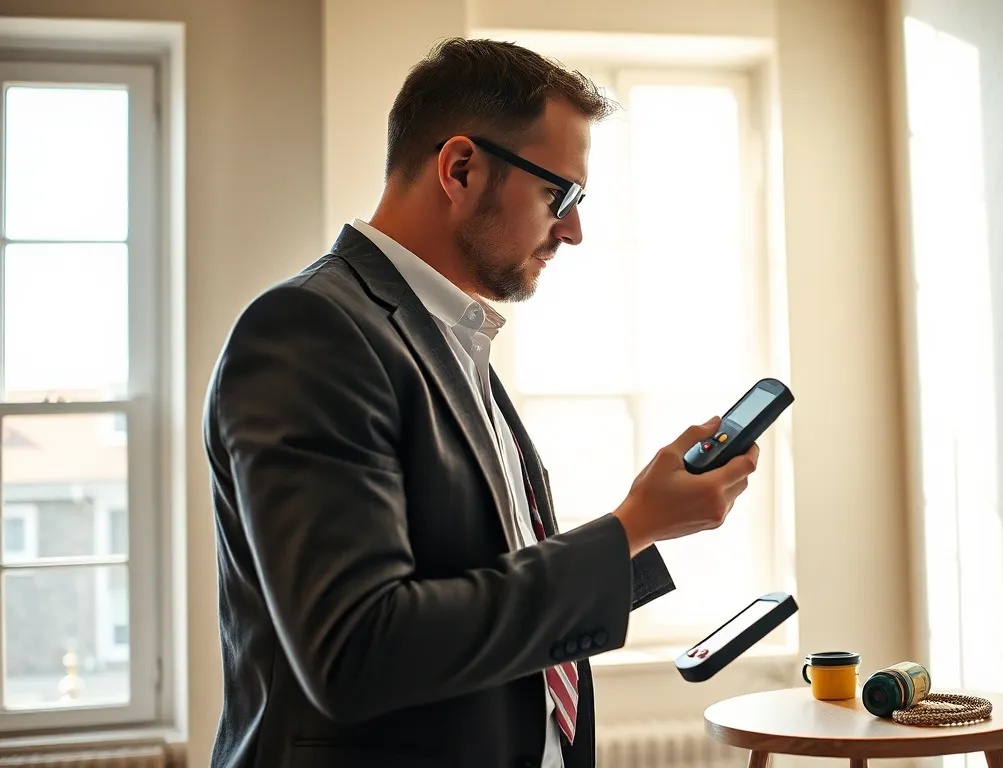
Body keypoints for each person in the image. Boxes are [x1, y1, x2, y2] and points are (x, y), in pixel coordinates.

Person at [202, 37, 761, 768]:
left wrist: (647, 530)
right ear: (460, 168)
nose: (574, 230)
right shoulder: (311, 332)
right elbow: (358, 649)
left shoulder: (451, 338)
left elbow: (476, 583)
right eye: (559, 195)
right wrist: (627, 527)